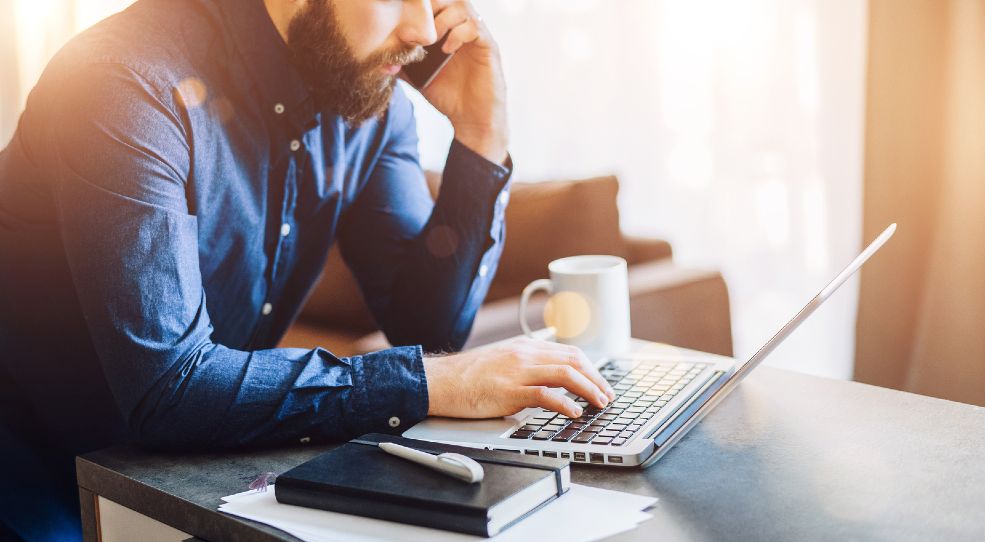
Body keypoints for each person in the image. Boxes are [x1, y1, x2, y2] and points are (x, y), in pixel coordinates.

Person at [0, 0, 615, 539]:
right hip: (30, 469)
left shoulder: (365, 93)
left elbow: (427, 326)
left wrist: (482, 134)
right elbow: (171, 388)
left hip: (180, 470)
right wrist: (439, 383)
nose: (424, 29)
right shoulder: (121, 80)